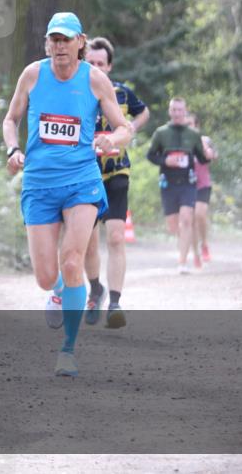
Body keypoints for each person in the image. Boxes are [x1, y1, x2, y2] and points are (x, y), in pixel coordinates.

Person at [2, 12, 133, 377]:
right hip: (40, 184)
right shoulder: (32, 75)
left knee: (73, 260)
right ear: (47, 44)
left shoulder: (94, 79)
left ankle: (68, 350)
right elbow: (10, 119)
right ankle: (58, 290)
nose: (59, 47)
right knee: (46, 276)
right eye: (53, 40)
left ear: (81, 42)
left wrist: (111, 140)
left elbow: (124, 128)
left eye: (66, 40)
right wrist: (13, 150)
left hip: (82, 181)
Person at [82, 37, 149, 329]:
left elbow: (143, 111)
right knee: (87, 241)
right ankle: (95, 289)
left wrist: (131, 127)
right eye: (91, 63)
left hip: (117, 171)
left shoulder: (121, 93)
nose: (96, 68)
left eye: (101, 64)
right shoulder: (76, 94)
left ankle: (115, 303)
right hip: (84, 173)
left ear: (109, 66)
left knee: (117, 237)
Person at [146, 97, 212, 274]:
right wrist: (165, 160)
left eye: (180, 110)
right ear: (170, 111)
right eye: (173, 110)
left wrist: (208, 155)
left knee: (186, 219)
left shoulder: (193, 134)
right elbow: (151, 155)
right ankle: (184, 246)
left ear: (185, 111)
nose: (176, 113)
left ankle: (182, 262)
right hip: (168, 184)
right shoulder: (161, 133)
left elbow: (202, 157)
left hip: (188, 183)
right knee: (174, 226)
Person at [187, 113, 217, 265]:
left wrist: (209, 152)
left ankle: (204, 243)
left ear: (196, 125)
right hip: (187, 185)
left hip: (203, 184)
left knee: (200, 214)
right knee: (190, 220)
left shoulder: (205, 140)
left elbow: (214, 156)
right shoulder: (180, 142)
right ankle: (196, 253)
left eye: (190, 123)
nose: (188, 126)